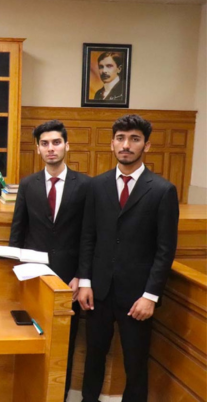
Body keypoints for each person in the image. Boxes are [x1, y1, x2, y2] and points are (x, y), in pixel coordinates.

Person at [77, 114, 179, 402]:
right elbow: (88, 237)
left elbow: (165, 249)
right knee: (93, 356)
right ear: (112, 143)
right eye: (120, 138)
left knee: (135, 363)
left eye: (134, 139)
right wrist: (85, 281)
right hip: (98, 291)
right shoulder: (96, 186)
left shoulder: (162, 190)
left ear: (146, 145)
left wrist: (150, 296)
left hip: (138, 296)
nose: (126, 145)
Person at [9, 120, 91, 400]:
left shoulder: (85, 185)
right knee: (32, 335)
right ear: (38, 149)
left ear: (67, 145)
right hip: (34, 275)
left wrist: (82, 275)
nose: (50, 148)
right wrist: (16, 272)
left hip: (70, 278)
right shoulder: (27, 184)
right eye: (44, 144)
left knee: (65, 341)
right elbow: (18, 231)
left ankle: (60, 395)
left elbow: (88, 235)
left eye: (56, 142)